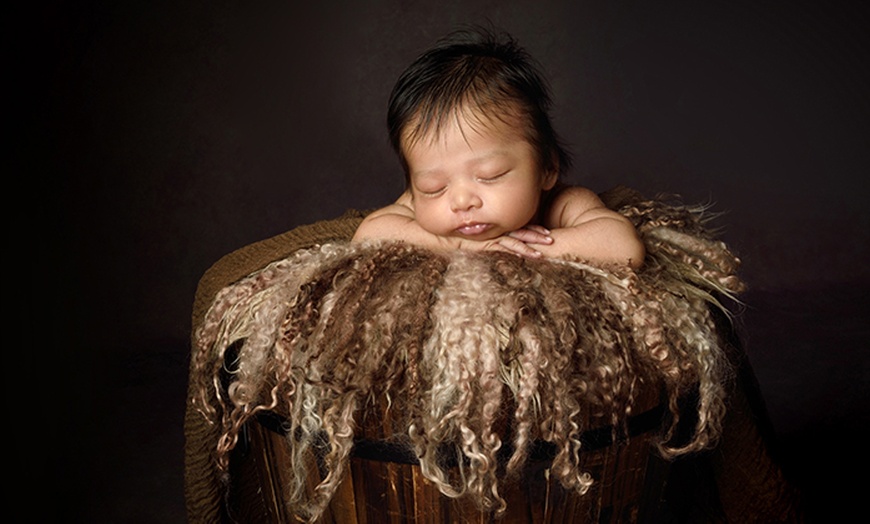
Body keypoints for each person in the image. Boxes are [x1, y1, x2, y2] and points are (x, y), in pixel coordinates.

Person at [352, 27, 645, 268]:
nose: (462, 200)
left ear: (547, 168)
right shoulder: (417, 204)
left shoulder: (562, 203)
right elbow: (369, 233)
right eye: (433, 187)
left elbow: (623, 246)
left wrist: (526, 250)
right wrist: (458, 244)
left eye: (490, 175)